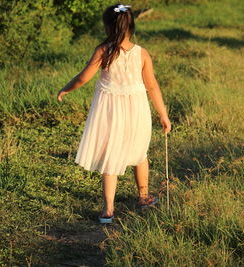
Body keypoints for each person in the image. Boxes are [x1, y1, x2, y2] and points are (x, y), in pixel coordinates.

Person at [57, 4, 171, 223]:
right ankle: (143, 197)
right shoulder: (142, 53)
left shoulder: (104, 50)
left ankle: (108, 209)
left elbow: (83, 77)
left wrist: (66, 88)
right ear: (132, 26)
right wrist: (163, 114)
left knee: (111, 155)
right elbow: (153, 86)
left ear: (108, 27)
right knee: (140, 153)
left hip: (110, 111)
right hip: (137, 110)